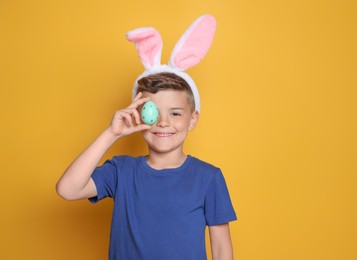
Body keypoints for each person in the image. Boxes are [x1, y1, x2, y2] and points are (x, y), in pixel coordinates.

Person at [56, 14, 237, 260]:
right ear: (139, 116)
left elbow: (221, 248)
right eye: (153, 113)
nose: (164, 122)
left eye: (175, 113)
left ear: (192, 119)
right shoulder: (121, 171)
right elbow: (67, 189)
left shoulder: (208, 177)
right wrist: (111, 133)